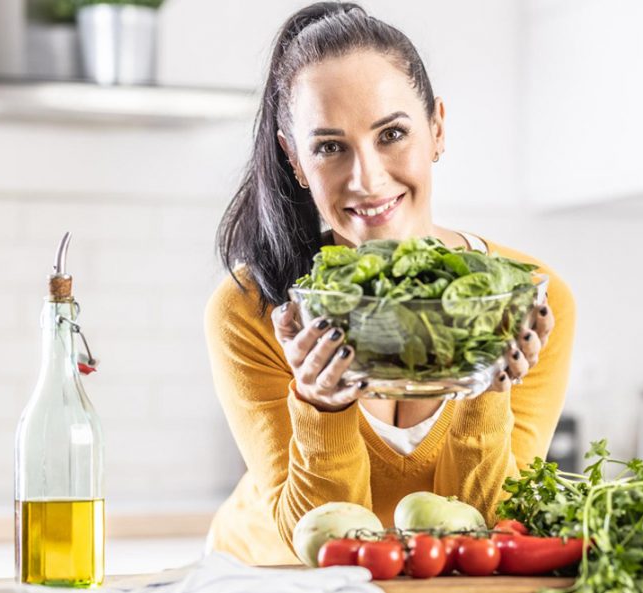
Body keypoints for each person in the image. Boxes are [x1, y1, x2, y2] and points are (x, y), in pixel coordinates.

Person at [204, 2, 575, 565]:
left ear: (437, 129)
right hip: (262, 575)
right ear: (295, 159)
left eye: (393, 134)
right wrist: (321, 406)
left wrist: (485, 389)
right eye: (330, 147)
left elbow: (489, 530)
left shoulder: (525, 301)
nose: (368, 178)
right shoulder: (252, 307)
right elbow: (316, 541)